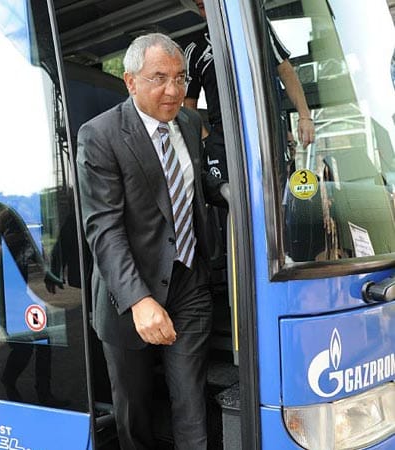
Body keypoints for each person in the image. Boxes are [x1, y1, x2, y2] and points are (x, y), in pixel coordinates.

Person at [76, 33, 227, 450]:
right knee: (135, 413)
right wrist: (139, 300)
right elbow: (103, 228)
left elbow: (191, 188)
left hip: (189, 283)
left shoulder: (191, 122)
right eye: (159, 78)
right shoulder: (99, 136)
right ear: (130, 82)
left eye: (180, 78)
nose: (174, 90)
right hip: (130, 294)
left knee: (191, 400)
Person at [184, 0, 315, 181]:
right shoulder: (195, 48)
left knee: (277, 192)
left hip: (266, 127)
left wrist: (304, 116)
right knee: (228, 199)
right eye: (199, 4)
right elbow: (188, 104)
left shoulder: (256, 28)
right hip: (223, 137)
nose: (204, 6)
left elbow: (285, 71)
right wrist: (206, 140)